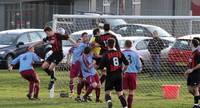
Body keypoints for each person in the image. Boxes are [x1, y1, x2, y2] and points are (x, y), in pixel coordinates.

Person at [99, 38, 129, 108]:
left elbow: (101, 67)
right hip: (119, 75)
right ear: (114, 44)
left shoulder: (105, 54)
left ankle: (109, 102)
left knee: (107, 92)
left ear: (107, 45)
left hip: (110, 75)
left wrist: (104, 71)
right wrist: (123, 71)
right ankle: (125, 107)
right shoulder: (120, 53)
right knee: (120, 94)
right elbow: (127, 64)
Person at [122, 40, 142, 108]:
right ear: (131, 45)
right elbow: (139, 65)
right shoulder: (135, 53)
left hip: (124, 73)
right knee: (131, 91)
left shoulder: (122, 53)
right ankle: (129, 106)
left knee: (124, 90)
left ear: (125, 45)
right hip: (133, 73)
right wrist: (139, 70)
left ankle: (125, 106)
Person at [184, 39, 200, 108]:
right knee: (190, 89)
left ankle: (196, 105)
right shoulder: (192, 53)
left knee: (195, 89)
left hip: (196, 73)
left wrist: (192, 69)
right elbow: (191, 64)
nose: (189, 44)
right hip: (191, 74)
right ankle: (198, 98)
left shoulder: (198, 53)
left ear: (193, 44)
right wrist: (187, 71)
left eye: (190, 43)